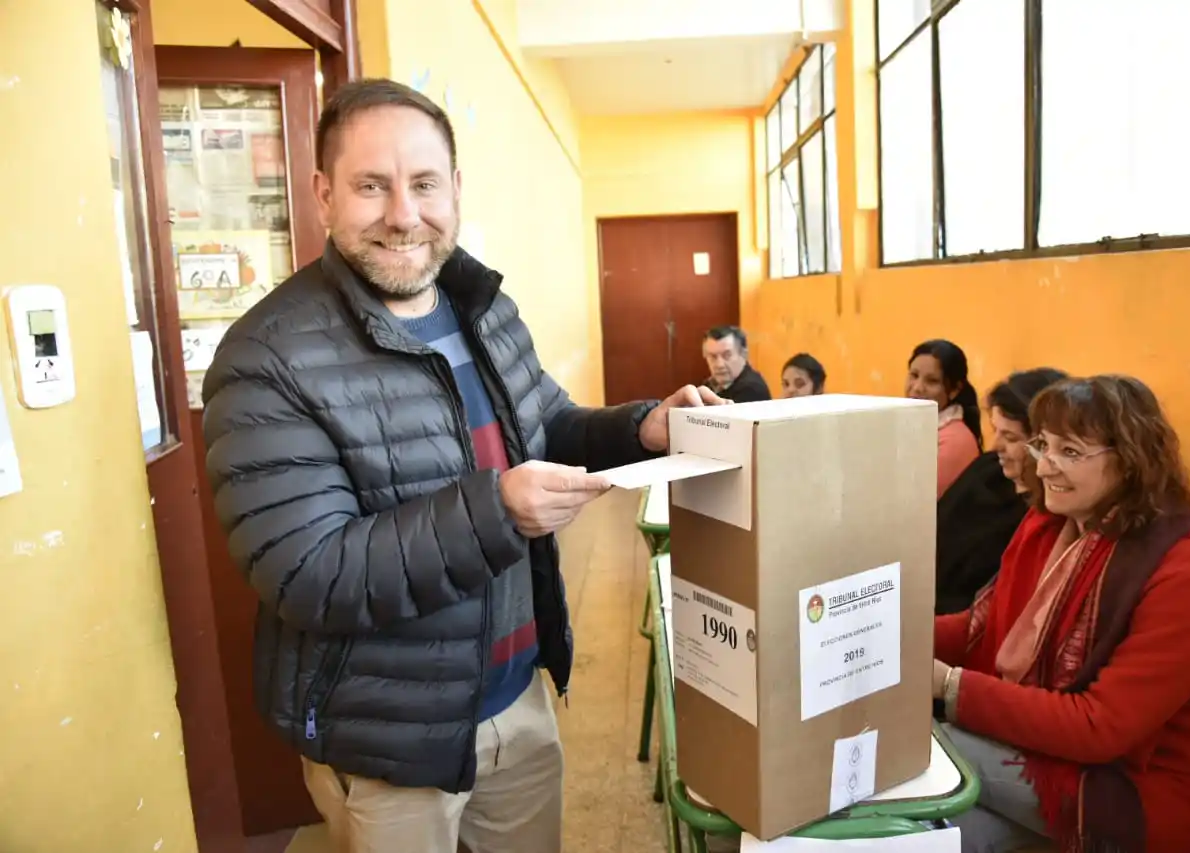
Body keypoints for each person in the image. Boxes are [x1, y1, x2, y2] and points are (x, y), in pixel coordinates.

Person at [200, 78, 727, 853]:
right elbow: (308, 572)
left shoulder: (481, 304)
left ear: (455, 188)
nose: (403, 214)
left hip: (517, 698)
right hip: (388, 742)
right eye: (370, 186)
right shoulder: (265, 357)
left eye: (423, 184)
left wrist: (643, 426)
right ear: (322, 194)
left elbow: (545, 421)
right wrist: (498, 511)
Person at [932, 375, 1190, 853]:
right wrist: (891, 633)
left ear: (1130, 459)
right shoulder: (1054, 525)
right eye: (1043, 445)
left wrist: (947, 684)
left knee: (924, 752)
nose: (1044, 468)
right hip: (1057, 756)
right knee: (940, 829)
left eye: (1071, 452)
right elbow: (982, 628)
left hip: (1144, 790)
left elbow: (1100, 727)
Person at [934, 368, 1068, 614]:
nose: (996, 446)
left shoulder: (1051, 512)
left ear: (1045, 445)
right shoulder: (986, 470)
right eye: (995, 430)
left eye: (1011, 437)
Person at [904, 339, 982, 497]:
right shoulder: (914, 426)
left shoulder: (954, 441)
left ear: (954, 390)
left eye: (932, 381)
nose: (917, 388)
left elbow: (914, 499)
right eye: (914, 375)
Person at [702, 325, 771, 402]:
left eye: (727, 355)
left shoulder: (752, 389)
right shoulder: (708, 386)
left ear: (744, 355)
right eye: (713, 357)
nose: (719, 364)